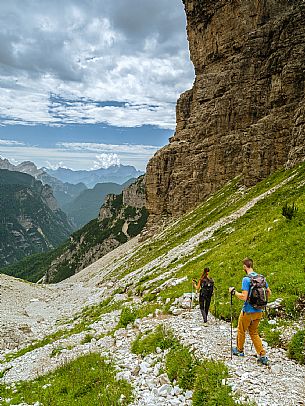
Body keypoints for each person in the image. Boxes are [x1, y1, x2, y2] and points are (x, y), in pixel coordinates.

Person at [229, 257, 271, 365]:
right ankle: (262, 355)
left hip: (248, 310)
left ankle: (239, 350)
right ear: (252, 265)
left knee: (241, 329)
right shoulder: (261, 278)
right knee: (254, 332)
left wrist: (234, 292)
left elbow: (244, 296)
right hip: (259, 310)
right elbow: (268, 292)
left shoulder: (246, 279)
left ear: (244, 266)